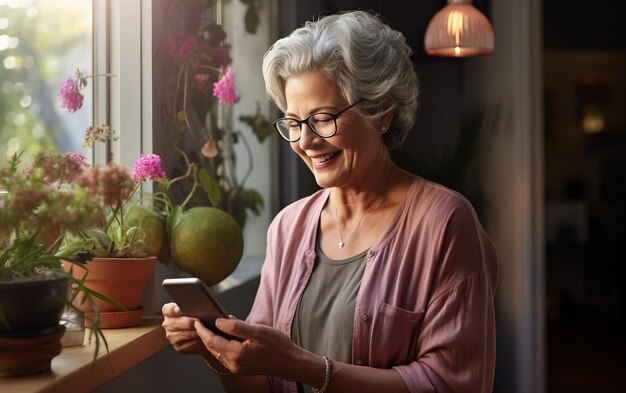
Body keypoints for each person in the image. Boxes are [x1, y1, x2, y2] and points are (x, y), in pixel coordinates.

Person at [162, 10, 498, 393]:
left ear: (382, 113)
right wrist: (212, 349)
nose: (305, 141)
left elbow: (453, 384)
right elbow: (261, 385)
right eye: (293, 123)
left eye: (322, 119)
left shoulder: (445, 223)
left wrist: (304, 367)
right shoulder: (288, 228)